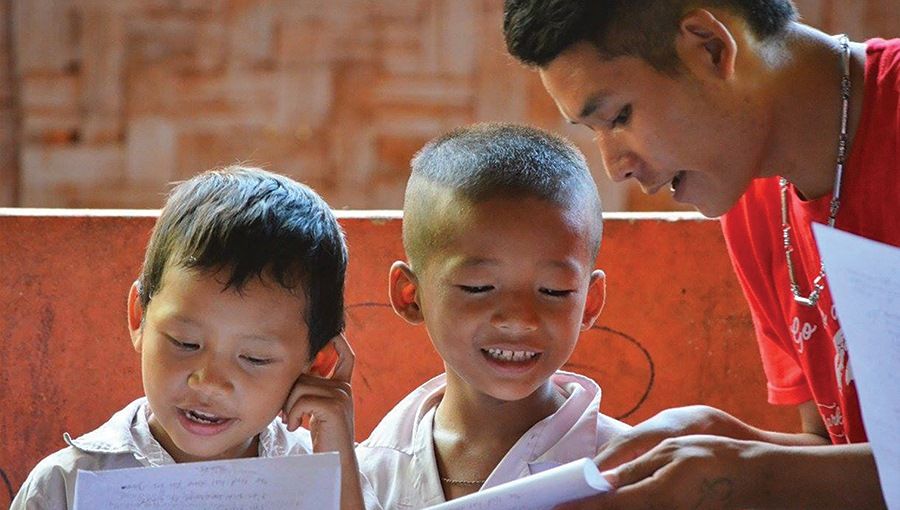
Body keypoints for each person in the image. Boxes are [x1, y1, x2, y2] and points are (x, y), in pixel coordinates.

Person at [503, 0, 897, 508]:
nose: (615, 167)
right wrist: (720, 436)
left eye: (619, 116)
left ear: (709, 47)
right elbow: (840, 454)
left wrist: (760, 475)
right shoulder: (750, 194)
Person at [11, 167, 377, 510]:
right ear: (139, 317)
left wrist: (336, 466)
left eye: (254, 358)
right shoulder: (66, 487)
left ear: (316, 365)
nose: (209, 382)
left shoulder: (331, 483)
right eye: (186, 343)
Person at [355, 123, 629, 507]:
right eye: (478, 287)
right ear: (409, 295)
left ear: (590, 301)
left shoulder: (630, 473)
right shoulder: (365, 476)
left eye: (554, 291)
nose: (520, 319)